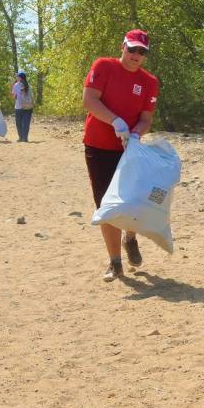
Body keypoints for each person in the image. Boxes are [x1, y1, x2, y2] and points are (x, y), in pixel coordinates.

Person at [82, 29, 158, 281]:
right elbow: (89, 100)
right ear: (123, 46)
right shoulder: (103, 66)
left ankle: (131, 237)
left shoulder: (150, 82)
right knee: (106, 204)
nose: (136, 55)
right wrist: (115, 121)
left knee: (133, 200)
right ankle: (115, 262)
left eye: (142, 51)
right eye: (132, 49)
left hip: (130, 149)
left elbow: (146, 119)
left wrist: (135, 132)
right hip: (98, 146)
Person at [12, 71, 34, 142]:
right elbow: (32, 96)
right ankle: (25, 138)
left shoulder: (16, 85)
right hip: (28, 106)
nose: (16, 77)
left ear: (20, 78)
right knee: (26, 123)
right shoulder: (29, 85)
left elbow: (14, 96)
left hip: (19, 106)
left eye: (17, 76)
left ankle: (21, 137)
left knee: (19, 123)